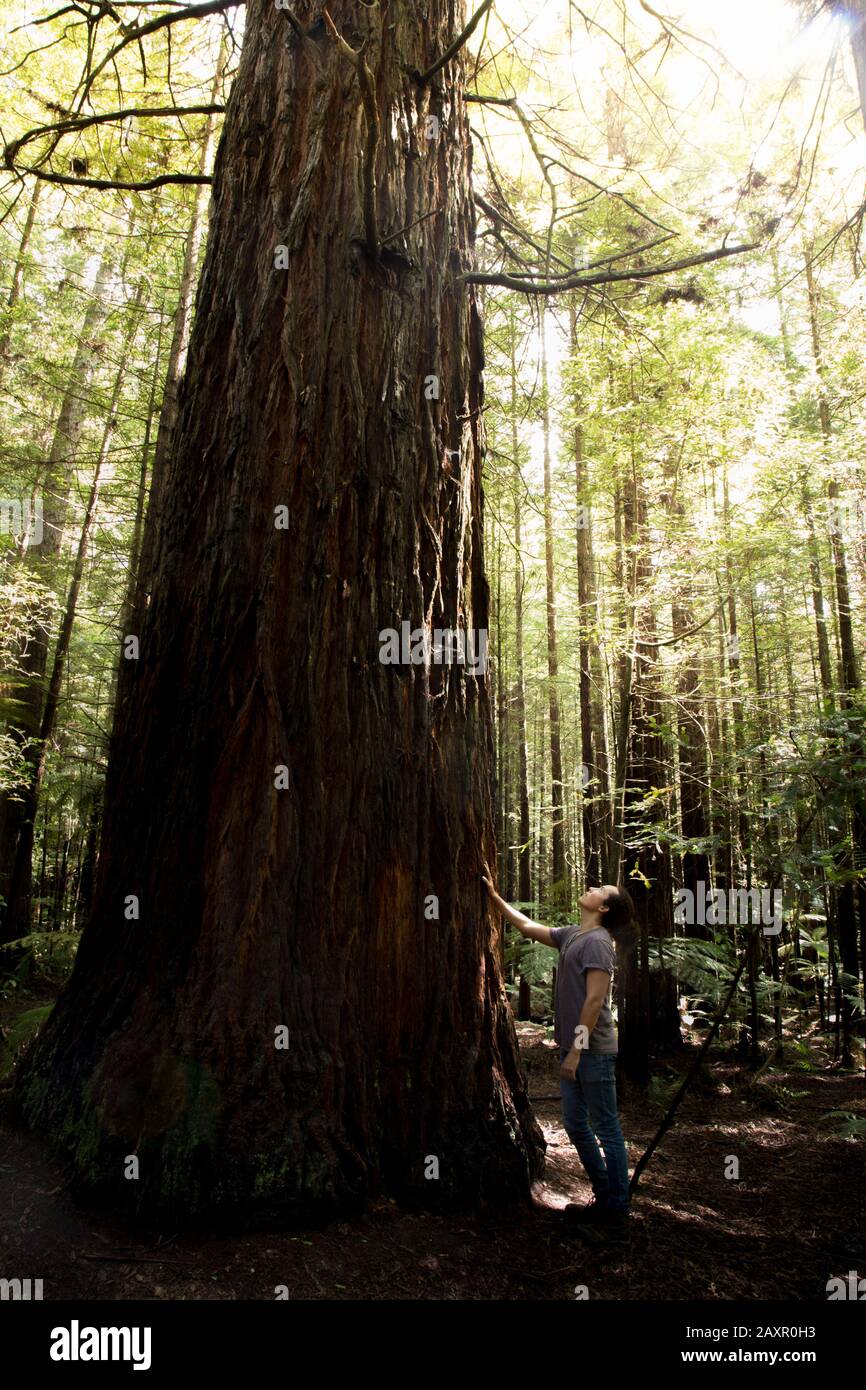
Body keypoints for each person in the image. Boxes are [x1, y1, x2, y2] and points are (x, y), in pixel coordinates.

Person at [482, 870, 635, 1240]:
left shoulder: (599, 942)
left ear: (603, 906)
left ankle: (618, 1213)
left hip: (592, 1051)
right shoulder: (574, 934)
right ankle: (605, 1195)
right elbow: (528, 927)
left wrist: (577, 1052)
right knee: (576, 1124)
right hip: (574, 1049)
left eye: (600, 889)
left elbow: (595, 1000)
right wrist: (493, 896)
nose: (593, 887)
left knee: (606, 1129)